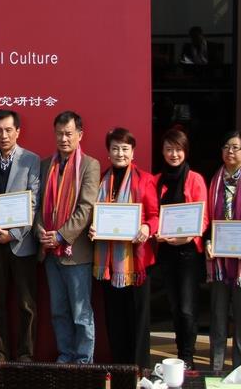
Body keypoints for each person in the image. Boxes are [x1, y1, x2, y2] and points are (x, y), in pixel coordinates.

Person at [89, 127, 158, 369]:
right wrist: (93, 229)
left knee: (138, 319)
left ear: (133, 152)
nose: (120, 153)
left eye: (125, 149)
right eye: (115, 148)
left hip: (136, 262)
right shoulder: (100, 180)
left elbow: (155, 215)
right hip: (108, 263)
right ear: (108, 152)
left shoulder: (145, 180)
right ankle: (120, 369)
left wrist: (147, 227)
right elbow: (93, 214)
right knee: (115, 319)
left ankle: (139, 370)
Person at [34, 111, 100, 363]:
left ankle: (83, 361)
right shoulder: (45, 165)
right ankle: (66, 355)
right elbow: (37, 205)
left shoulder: (90, 165)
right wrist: (40, 230)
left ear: (80, 135)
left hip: (76, 252)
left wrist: (61, 236)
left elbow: (86, 208)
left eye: (69, 134)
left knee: (81, 313)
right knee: (58, 311)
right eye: (59, 134)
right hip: (50, 252)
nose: (63, 139)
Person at [0, 109, 41, 362]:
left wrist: (13, 233)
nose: (4, 135)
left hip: (21, 243)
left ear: (18, 131)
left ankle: (26, 354)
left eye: (8, 130)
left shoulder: (31, 160)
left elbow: (33, 201)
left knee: (26, 303)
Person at [153, 128, 208, 369]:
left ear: (185, 151)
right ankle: (180, 353)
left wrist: (187, 237)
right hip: (166, 251)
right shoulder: (156, 180)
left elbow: (203, 217)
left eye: (178, 149)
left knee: (187, 307)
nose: (173, 154)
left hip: (188, 253)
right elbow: (152, 214)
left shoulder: (195, 179)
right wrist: (156, 232)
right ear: (162, 151)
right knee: (175, 307)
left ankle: (188, 356)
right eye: (169, 149)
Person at [205, 131, 241, 371]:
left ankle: (240, 366)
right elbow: (207, 216)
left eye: (236, 147)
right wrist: (208, 241)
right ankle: (216, 366)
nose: (230, 151)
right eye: (226, 146)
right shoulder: (215, 179)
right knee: (217, 314)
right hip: (218, 258)